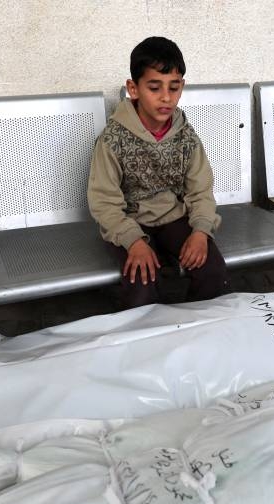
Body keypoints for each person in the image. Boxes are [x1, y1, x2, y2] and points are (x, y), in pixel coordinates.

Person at [88, 36, 231, 308]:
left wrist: (201, 231)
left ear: (182, 87)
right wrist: (133, 242)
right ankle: (145, 341)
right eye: (155, 87)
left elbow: (200, 190)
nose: (166, 97)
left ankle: (194, 334)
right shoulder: (112, 141)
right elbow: (104, 203)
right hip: (128, 222)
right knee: (142, 282)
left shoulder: (186, 138)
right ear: (134, 88)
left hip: (173, 217)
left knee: (212, 271)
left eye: (174, 88)